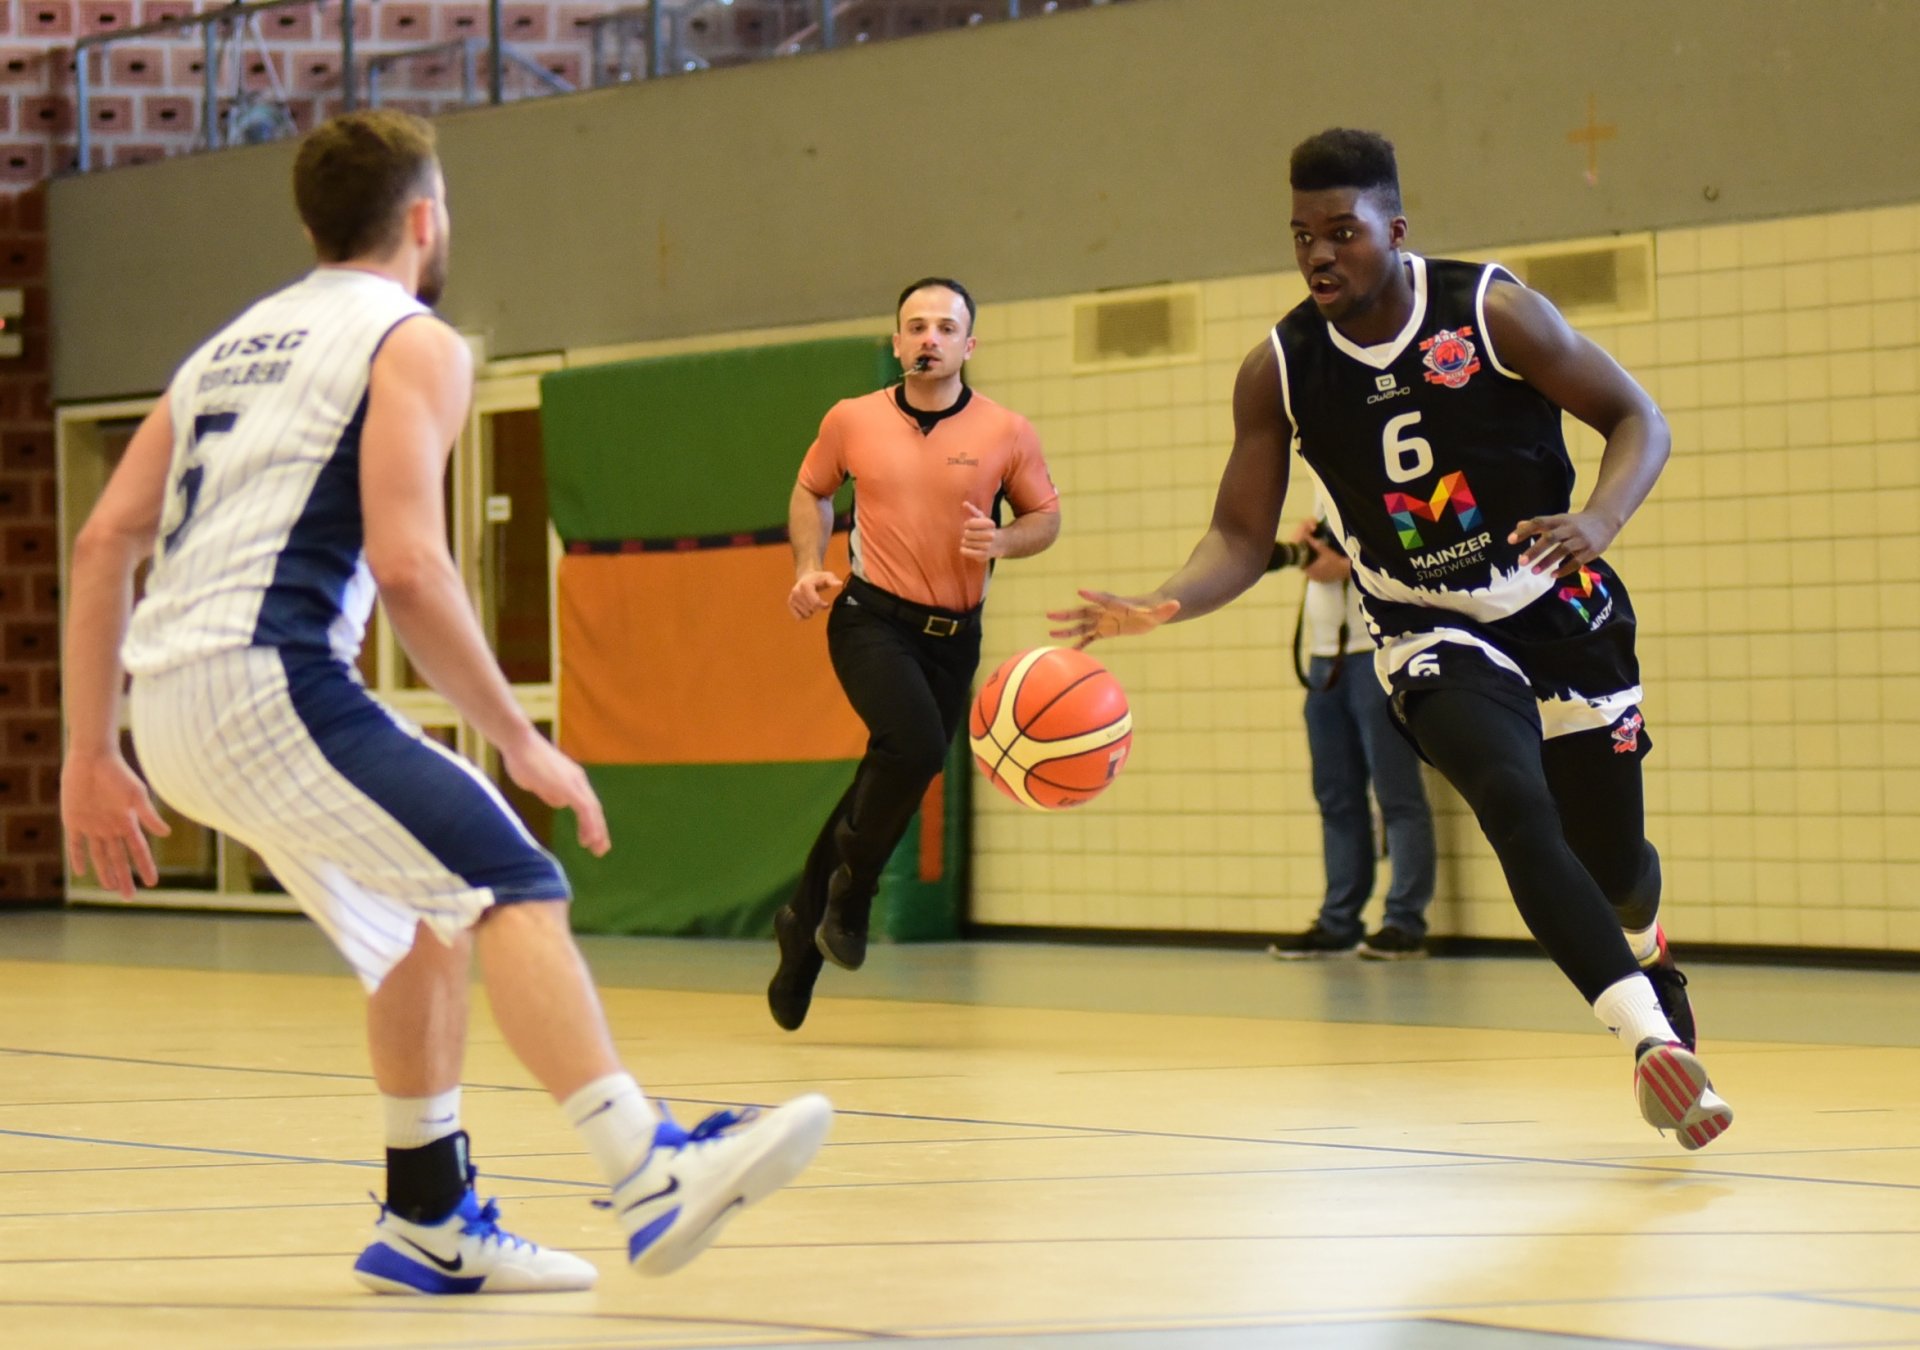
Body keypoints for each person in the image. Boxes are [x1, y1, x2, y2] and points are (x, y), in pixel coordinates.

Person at [59, 109, 832, 1296]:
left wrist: (86, 752)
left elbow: (105, 542)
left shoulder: (223, 350)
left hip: (166, 710)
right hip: (271, 679)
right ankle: (646, 1166)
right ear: (424, 220)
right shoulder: (411, 340)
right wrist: (520, 739)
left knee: (418, 925)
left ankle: (428, 1215)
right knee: (511, 880)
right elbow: (411, 565)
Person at [1049, 129, 1732, 1150]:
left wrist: (1599, 520)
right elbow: (1240, 534)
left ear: (1393, 230)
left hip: (1557, 604)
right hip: (1424, 624)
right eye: (1300, 237)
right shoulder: (1277, 368)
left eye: (1341, 233)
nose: (1319, 256)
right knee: (1509, 797)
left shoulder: (1491, 310)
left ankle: (1645, 943)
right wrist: (1166, 601)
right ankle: (1648, 1043)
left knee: (1616, 864)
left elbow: (1640, 419)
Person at [771, 278, 1061, 1031]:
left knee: (897, 770)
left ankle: (804, 925)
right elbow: (811, 492)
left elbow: (1045, 517)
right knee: (914, 744)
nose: (929, 338)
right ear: (897, 343)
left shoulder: (1006, 430)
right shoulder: (851, 420)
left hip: (954, 634)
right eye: (915, 326)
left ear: (970, 345)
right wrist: (808, 565)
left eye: (945, 327)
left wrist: (1004, 540)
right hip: (871, 618)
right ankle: (854, 893)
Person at [1265, 516, 1436, 960]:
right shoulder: (1324, 488)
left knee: (1397, 794)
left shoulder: (1387, 486)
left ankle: (1404, 922)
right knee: (1335, 796)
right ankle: (1338, 921)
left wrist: (1348, 569)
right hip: (1325, 658)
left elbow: (1419, 554)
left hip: (1381, 652)